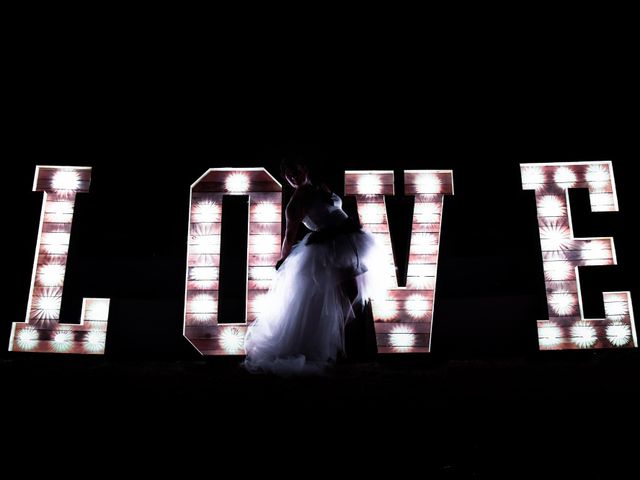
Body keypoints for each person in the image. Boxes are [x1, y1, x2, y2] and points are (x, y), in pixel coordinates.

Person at [243, 157, 386, 375]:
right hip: (331, 250)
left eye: (295, 170)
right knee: (348, 297)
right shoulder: (296, 202)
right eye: (288, 174)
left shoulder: (319, 188)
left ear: (305, 168)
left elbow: (335, 210)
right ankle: (338, 351)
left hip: (349, 242)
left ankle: (342, 350)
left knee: (350, 299)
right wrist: (284, 260)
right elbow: (289, 235)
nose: (292, 176)